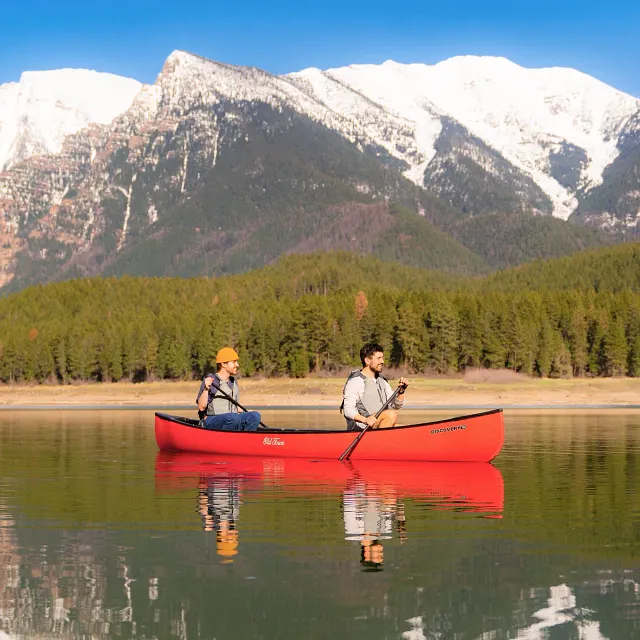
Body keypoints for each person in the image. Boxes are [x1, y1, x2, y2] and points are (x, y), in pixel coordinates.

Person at [341, 342, 408, 431]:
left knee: (407, 429)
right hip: (361, 428)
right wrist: (365, 420)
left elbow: (396, 406)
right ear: (367, 361)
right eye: (379, 358)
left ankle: (382, 442)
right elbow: (348, 410)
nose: (382, 361)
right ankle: (381, 443)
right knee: (391, 414)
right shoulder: (355, 382)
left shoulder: (383, 381)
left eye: (382, 358)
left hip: (378, 425)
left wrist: (401, 392)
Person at [196, 347, 262, 431]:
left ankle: (244, 440)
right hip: (211, 421)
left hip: (231, 420)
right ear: (223, 364)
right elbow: (201, 407)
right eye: (234, 362)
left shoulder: (233, 382)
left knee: (254, 416)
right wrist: (206, 389)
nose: (237, 365)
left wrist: (247, 412)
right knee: (232, 417)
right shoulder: (212, 380)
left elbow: (234, 408)